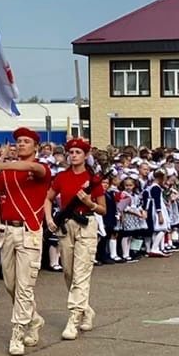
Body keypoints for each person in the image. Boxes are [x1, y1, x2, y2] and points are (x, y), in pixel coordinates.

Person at [0, 127, 51, 355]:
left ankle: (18, 332)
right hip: (7, 230)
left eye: (26, 141)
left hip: (30, 232)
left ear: (35, 146)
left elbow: (30, 167)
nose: (21, 145)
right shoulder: (6, 172)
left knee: (25, 286)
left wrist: (3, 163)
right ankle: (34, 319)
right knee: (11, 284)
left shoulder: (41, 168)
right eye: (18, 141)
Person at [45, 139, 106, 340]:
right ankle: (86, 309)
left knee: (81, 273)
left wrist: (89, 203)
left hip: (86, 224)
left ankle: (73, 318)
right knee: (69, 273)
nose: (74, 155)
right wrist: (49, 219)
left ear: (85, 155)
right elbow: (49, 198)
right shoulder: (62, 177)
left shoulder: (93, 179)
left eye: (78, 152)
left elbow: (103, 209)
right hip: (66, 226)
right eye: (71, 152)